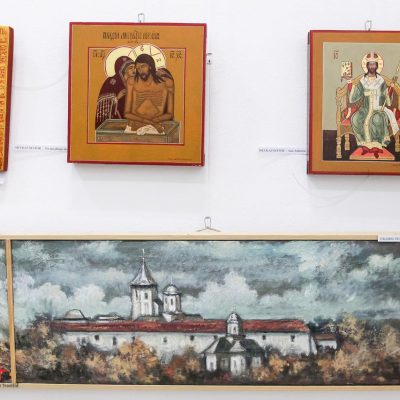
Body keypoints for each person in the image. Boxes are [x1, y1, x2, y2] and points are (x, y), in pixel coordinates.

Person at [345, 52, 399, 157]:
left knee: (377, 119)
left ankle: (377, 146)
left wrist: (390, 89)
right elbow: (355, 96)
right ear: (367, 66)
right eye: (370, 64)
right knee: (355, 119)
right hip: (365, 108)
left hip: (378, 109)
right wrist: (350, 83)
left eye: (374, 64)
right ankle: (365, 145)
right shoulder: (363, 81)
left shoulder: (381, 81)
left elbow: (386, 97)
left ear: (377, 66)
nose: (372, 66)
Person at [124, 53, 174, 134]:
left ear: (150, 66)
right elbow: (127, 114)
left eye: (143, 66)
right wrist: (150, 122)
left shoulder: (167, 82)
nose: (140, 70)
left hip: (156, 129)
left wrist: (155, 122)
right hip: (134, 128)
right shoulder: (131, 82)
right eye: (138, 68)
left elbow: (169, 114)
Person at [95, 56, 131, 128]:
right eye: (131, 68)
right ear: (123, 70)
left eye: (135, 67)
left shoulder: (133, 82)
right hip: (114, 121)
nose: (134, 70)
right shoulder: (111, 82)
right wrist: (116, 98)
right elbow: (101, 103)